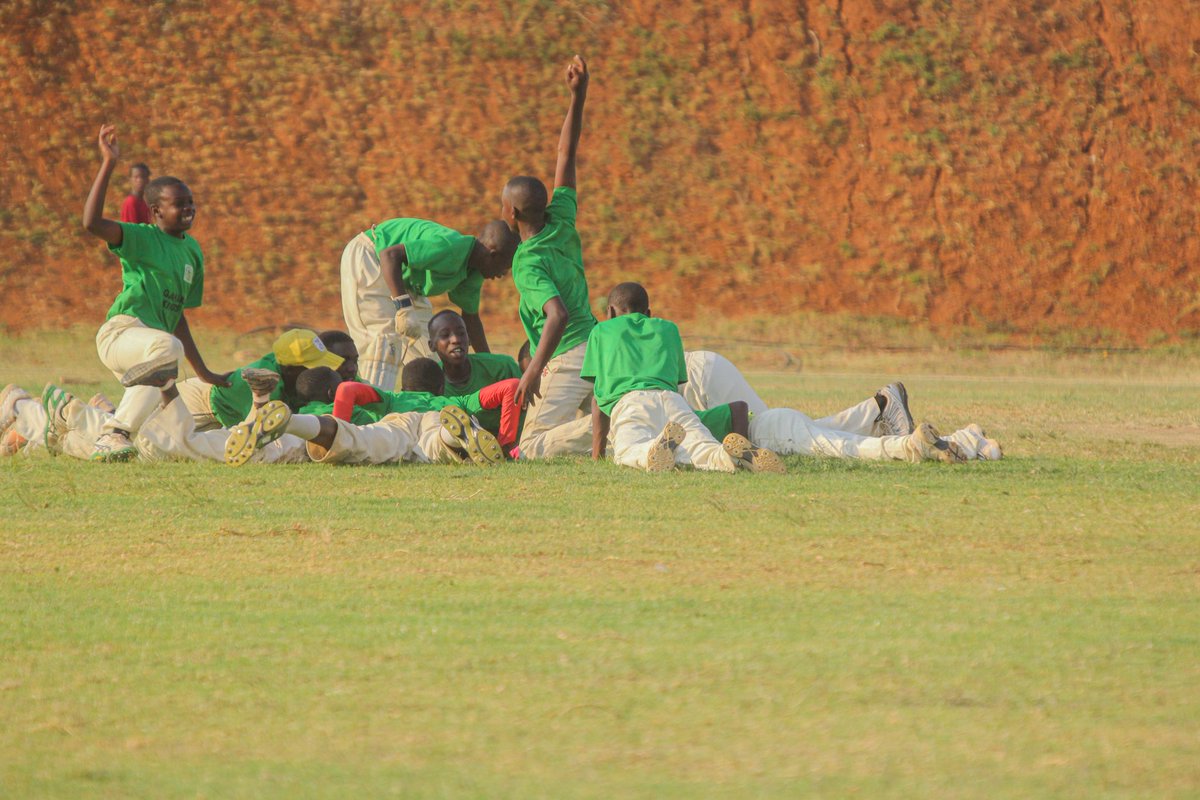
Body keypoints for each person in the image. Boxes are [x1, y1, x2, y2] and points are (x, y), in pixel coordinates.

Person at [76, 124, 227, 461]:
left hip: (155, 355)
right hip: (122, 336)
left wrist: (204, 373)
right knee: (166, 349)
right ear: (157, 211)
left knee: (170, 439)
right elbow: (91, 223)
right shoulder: (143, 237)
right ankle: (114, 433)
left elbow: (177, 319)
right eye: (179, 204)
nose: (189, 209)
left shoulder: (193, 251)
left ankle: (72, 424)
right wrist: (108, 163)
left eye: (191, 203)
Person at [583, 282, 784, 473]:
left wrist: (597, 456)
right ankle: (728, 456)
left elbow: (597, 399)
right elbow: (677, 381)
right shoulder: (669, 329)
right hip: (673, 401)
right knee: (701, 446)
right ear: (648, 314)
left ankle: (650, 452)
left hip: (630, 404)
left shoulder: (601, 331)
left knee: (628, 450)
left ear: (609, 312)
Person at [503, 55, 597, 460]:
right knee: (568, 430)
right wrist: (578, 95)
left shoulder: (526, 261)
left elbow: (556, 316)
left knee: (532, 447)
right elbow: (566, 154)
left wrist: (533, 369)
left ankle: (620, 420)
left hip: (570, 354)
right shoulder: (561, 218)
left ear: (512, 214)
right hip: (598, 342)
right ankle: (614, 420)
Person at [682, 350, 996, 462]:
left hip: (692, 379)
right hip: (693, 375)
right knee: (791, 434)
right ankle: (880, 410)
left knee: (781, 436)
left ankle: (912, 439)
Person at [340, 213, 519, 389]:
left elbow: (471, 321)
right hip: (372, 256)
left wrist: (490, 368)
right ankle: (372, 414)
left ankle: (425, 412)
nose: (503, 275)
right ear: (493, 254)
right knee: (384, 344)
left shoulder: (474, 272)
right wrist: (404, 307)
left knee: (431, 357)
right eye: (505, 267)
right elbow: (390, 255)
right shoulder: (451, 247)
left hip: (405, 280)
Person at [428, 309, 522, 438]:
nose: (455, 339)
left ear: (469, 339)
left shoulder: (502, 367)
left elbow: (527, 410)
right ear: (431, 345)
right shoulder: (430, 381)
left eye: (461, 333)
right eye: (445, 335)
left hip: (511, 442)